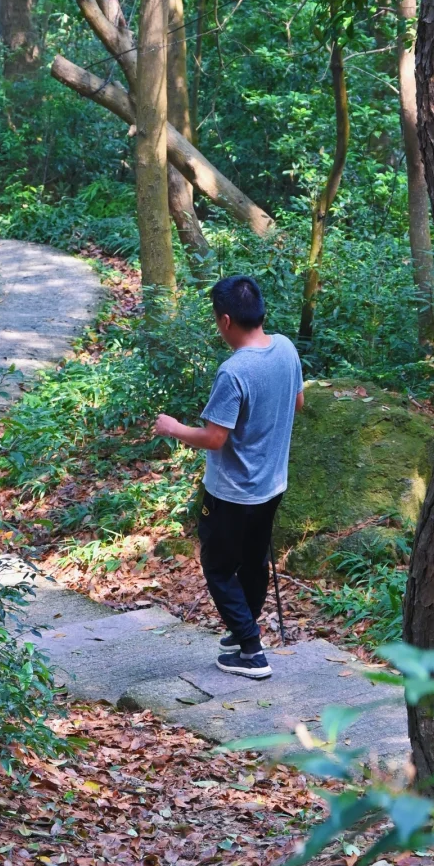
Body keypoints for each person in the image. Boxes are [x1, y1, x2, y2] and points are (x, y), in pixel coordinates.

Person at [153, 275, 303, 679]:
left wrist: (173, 428)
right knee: (253, 562)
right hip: (272, 485)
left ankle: (251, 652)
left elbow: (215, 438)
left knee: (218, 567)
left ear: (224, 320)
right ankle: (244, 630)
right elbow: (299, 401)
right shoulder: (286, 349)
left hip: (232, 493)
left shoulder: (234, 372)